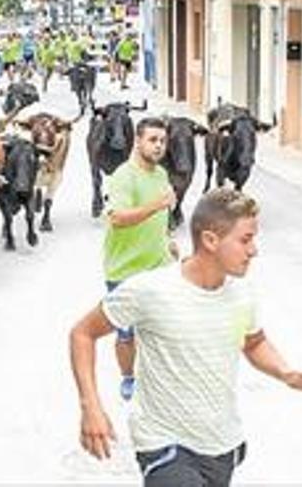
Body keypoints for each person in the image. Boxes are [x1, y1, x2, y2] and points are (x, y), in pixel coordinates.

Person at [70, 187, 302, 485]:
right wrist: (91, 405)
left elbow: (254, 342)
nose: (254, 250)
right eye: (245, 239)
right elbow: (83, 333)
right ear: (210, 240)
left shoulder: (241, 293)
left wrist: (285, 372)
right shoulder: (151, 290)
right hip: (165, 447)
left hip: (222, 446)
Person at [100, 118, 177, 401]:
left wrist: (168, 240)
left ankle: (161, 378)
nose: (159, 146)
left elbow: (162, 216)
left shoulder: (161, 175)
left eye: (162, 141)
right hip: (124, 270)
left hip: (159, 266)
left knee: (165, 328)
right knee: (125, 333)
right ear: (137, 141)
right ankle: (129, 377)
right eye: (153, 140)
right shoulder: (123, 176)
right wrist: (157, 204)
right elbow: (118, 218)